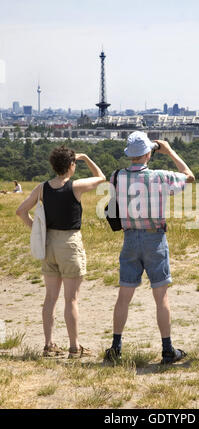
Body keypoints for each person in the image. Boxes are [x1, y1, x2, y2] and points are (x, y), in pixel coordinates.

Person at [105, 131, 195, 364]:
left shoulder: (117, 176)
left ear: (129, 154)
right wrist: (169, 151)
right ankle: (167, 348)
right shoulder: (160, 177)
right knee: (161, 297)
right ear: (148, 153)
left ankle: (116, 347)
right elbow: (189, 176)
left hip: (129, 239)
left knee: (123, 296)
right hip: (155, 239)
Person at [16, 146, 106, 358]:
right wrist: (86, 157)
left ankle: (49, 345)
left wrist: (37, 230)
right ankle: (74, 347)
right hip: (69, 243)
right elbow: (101, 177)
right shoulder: (76, 186)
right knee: (71, 299)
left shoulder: (42, 188)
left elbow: (21, 211)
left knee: (50, 298)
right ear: (71, 165)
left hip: (48, 244)